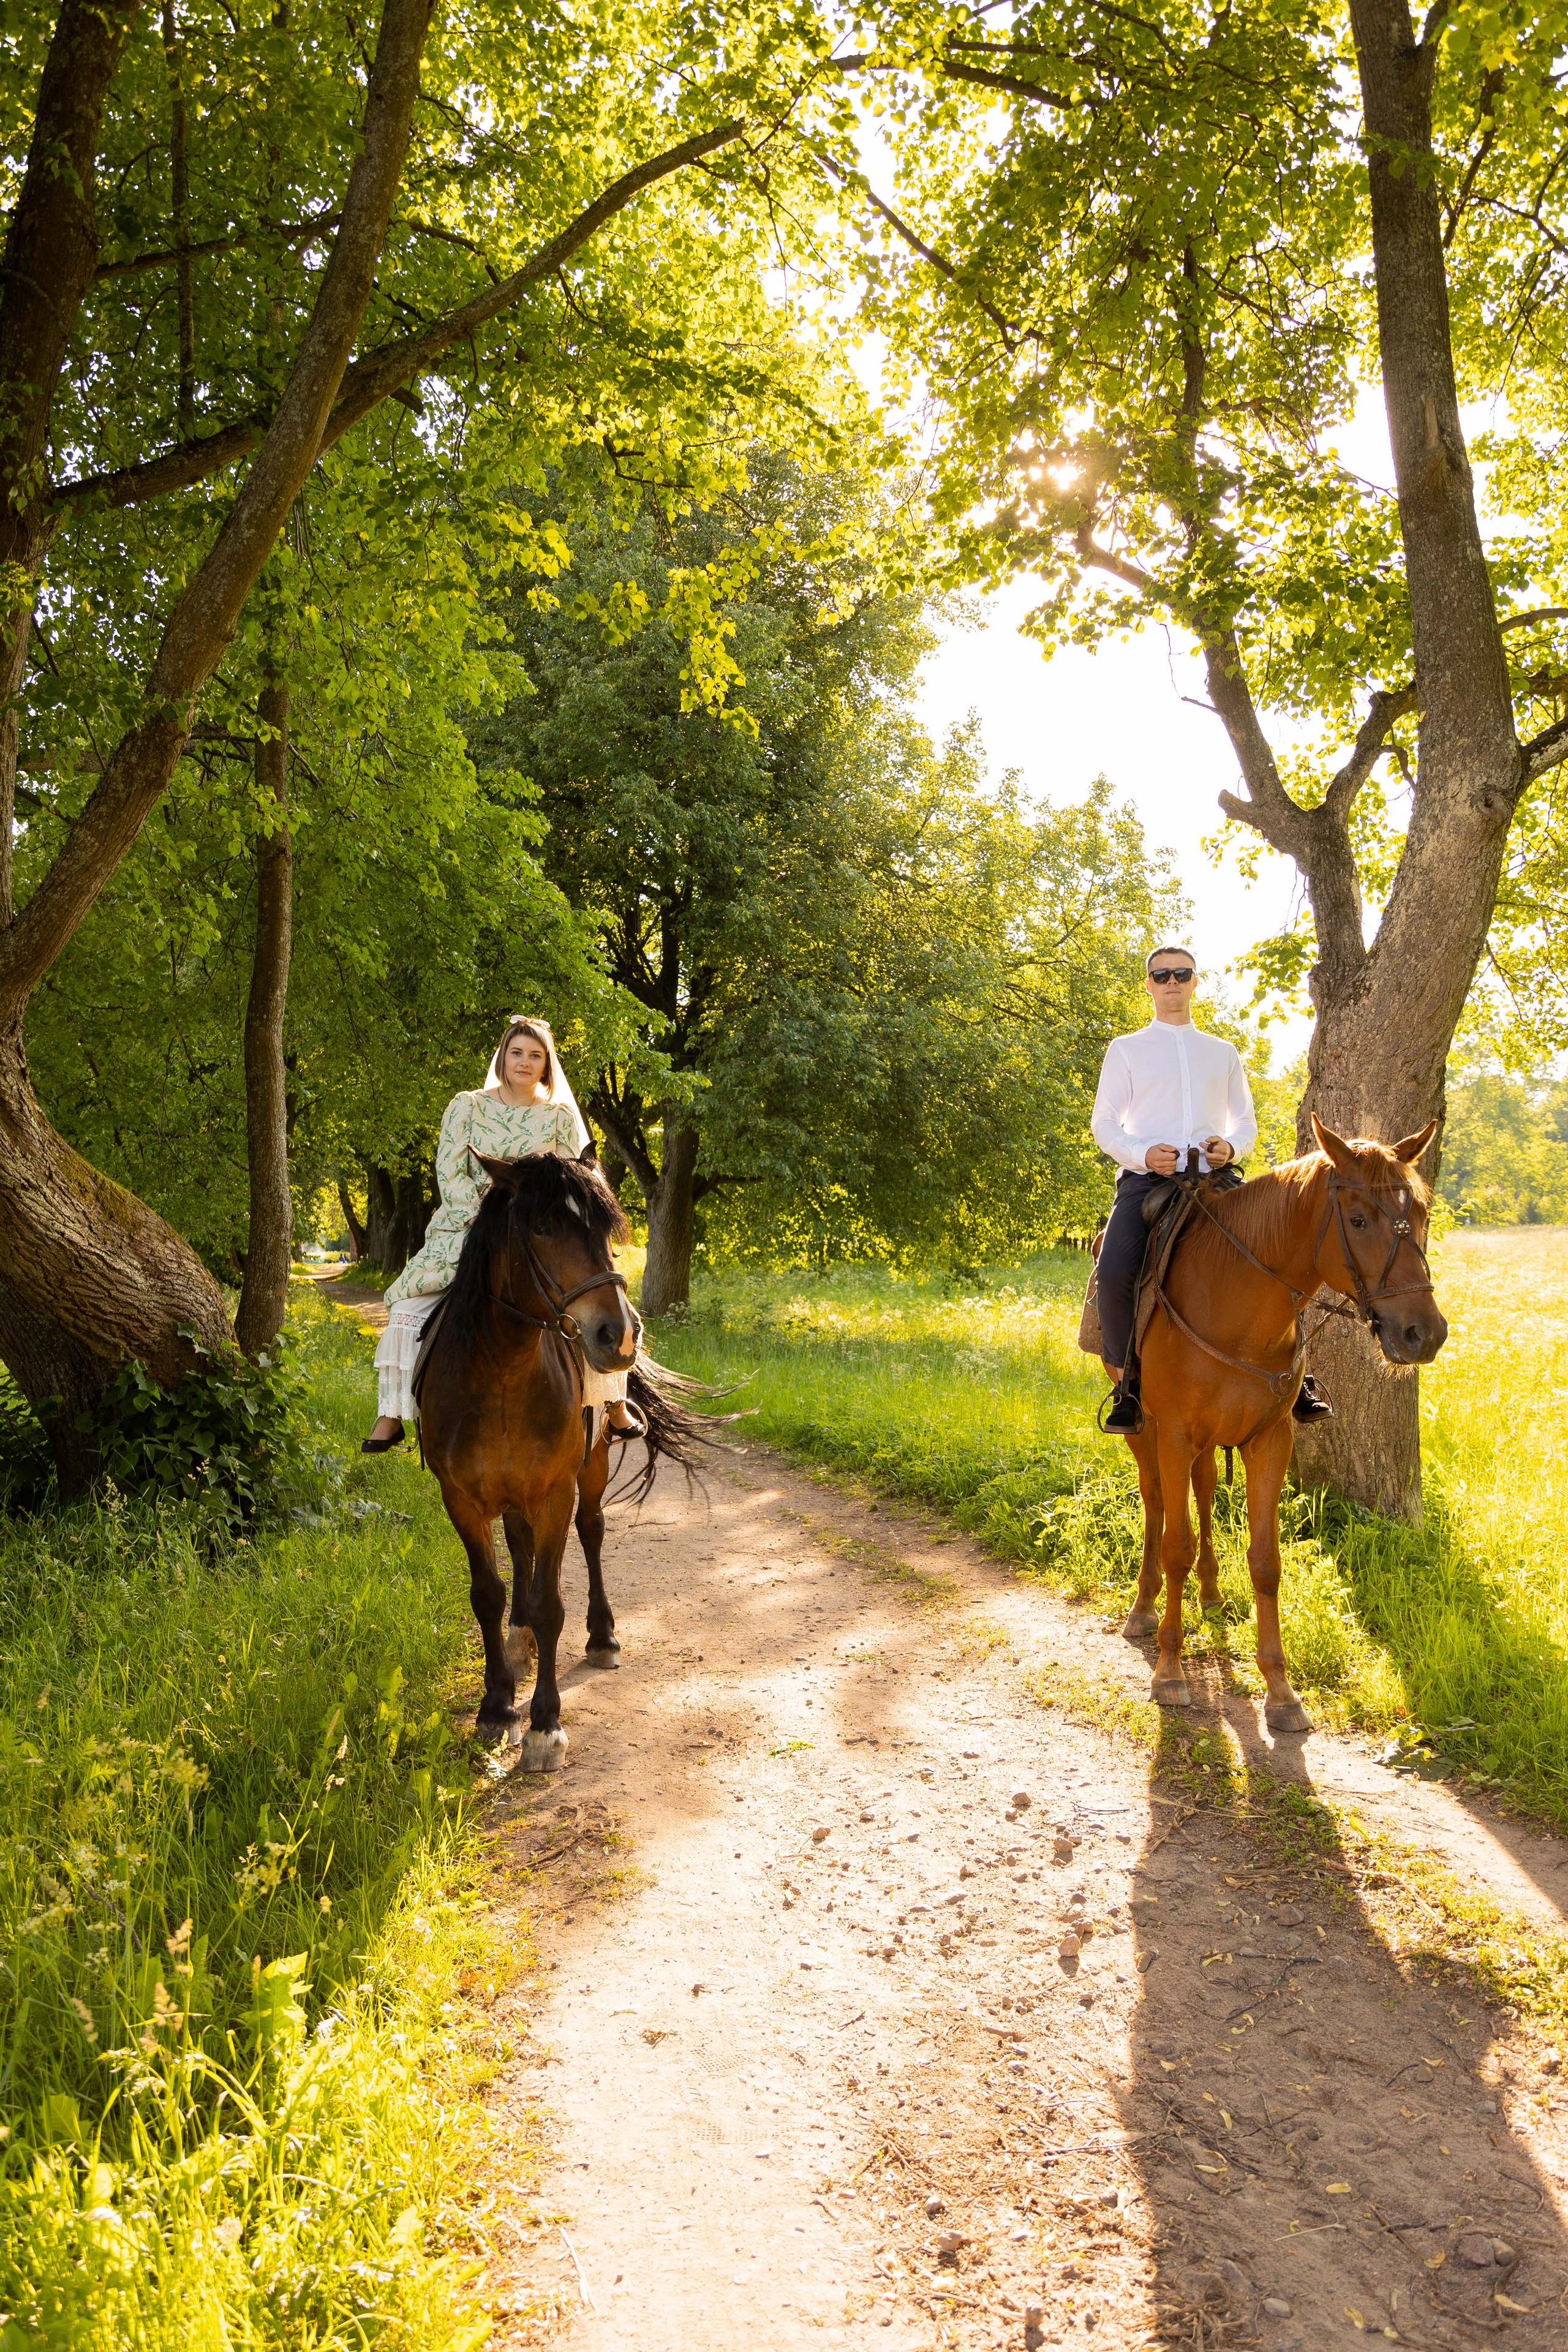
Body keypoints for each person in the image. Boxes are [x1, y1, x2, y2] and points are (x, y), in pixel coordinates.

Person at [361, 1017, 641, 1452]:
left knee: (600, 1297)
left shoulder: (560, 1117)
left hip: (543, 1233)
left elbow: (579, 1182)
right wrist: (487, 1219)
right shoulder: (466, 1107)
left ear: (547, 1066)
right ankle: (392, 1413)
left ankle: (610, 1401)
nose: (525, 1063)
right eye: (517, 1053)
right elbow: (449, 1174)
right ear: (502, 1057)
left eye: (536, 1056)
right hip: (471, 1229)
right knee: (405, 1307)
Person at [1088, 945, 1331, 1434]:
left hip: (1216, 1180)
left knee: (1286, 1261)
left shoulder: (1222, 1052)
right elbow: (1104, 1124)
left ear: (1196, 982)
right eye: (1161, 975)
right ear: (1149, 984)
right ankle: (1128, 1387)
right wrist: (1141, 1154)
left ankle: (1297, 1381)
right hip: (1148, 1180)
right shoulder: (1126, 1049)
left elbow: (1245, 1123)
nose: (1171, 982)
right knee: (1114, 1270)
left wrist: (1232, 1148)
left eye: (1181, 974)